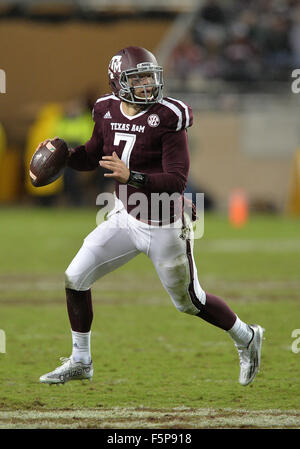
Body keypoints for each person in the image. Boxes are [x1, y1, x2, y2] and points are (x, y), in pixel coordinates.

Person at [39, 46, 264, 387]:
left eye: (149, 76)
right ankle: (81, 360)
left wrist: (133, 177)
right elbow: (92, 155)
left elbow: (177, 181)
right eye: (137, 78)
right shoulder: (105, 109)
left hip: (164, 225)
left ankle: (246, 336)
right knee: (75, 278)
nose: (146, 85)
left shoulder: (169, 118)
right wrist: (65, 156)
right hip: (123, 218)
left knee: (190, 302)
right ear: (118, 82)